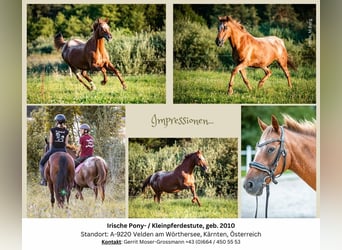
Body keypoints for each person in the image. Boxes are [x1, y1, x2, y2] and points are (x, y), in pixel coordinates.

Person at [39, 114, 69, 186]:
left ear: (57, 122)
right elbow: (66, 144)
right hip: (63, 151)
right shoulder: (66, 131)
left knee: (41, 163)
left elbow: (51, 142)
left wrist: (51, 150)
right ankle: (71, 181)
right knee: (73, 164)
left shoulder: (52, 130)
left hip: (53, 150)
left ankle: (44, 180)